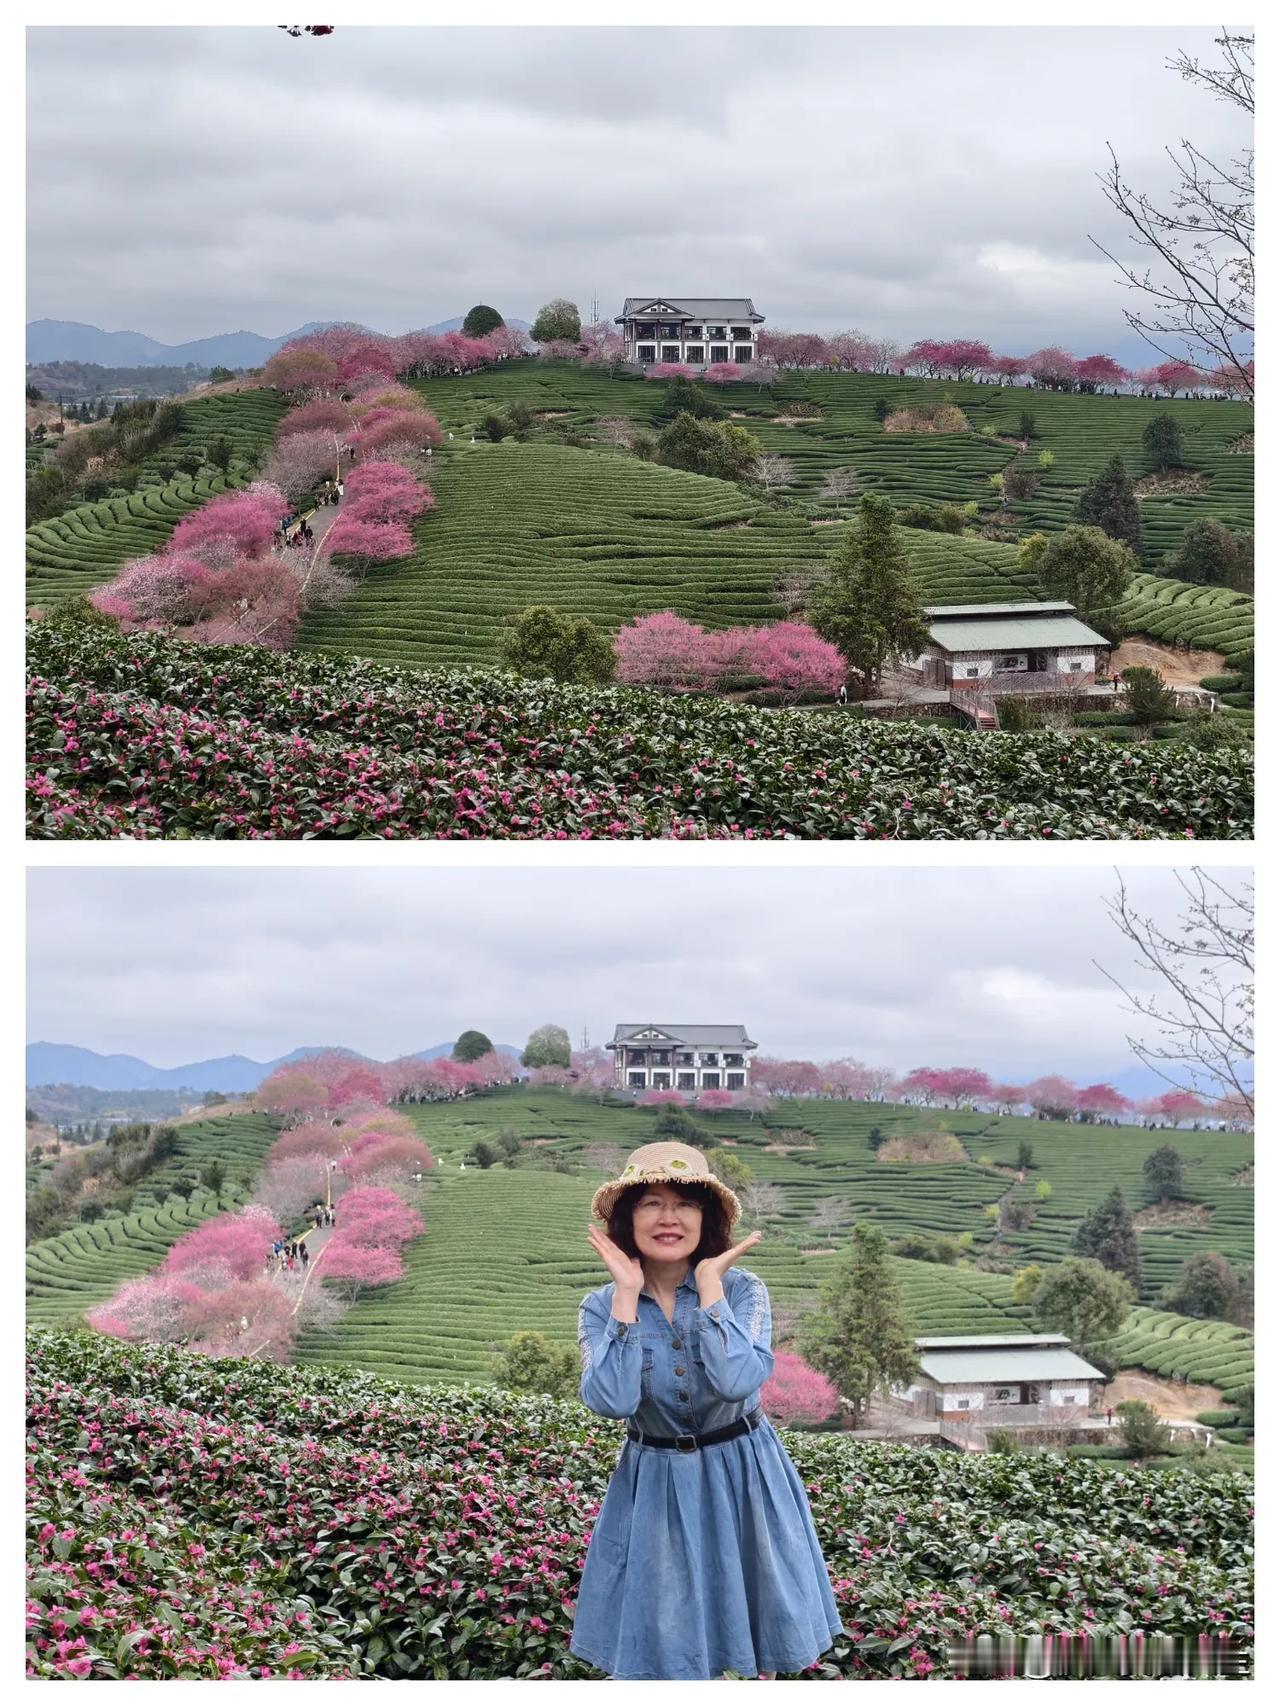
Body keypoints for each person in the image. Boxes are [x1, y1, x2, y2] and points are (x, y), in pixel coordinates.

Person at [570, 1141, 842, 1681]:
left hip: (744, 1473)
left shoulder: (743, 1291)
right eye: (650, 1203)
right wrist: (627, 1298)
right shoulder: (599, 1306)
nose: (668, 1218)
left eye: (685, 1204)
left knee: (755, 1614)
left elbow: (738, 1379)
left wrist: (710, 1291)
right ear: (628, 1219)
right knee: (665, 1629)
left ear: (706, 1217)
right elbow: (611, 1401)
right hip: (657, 1481)